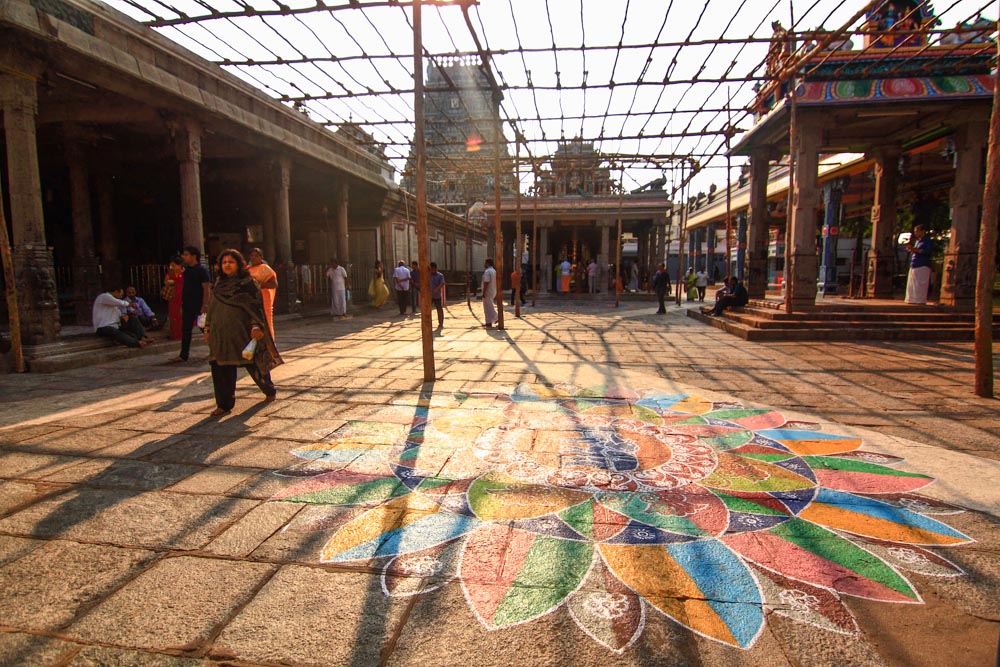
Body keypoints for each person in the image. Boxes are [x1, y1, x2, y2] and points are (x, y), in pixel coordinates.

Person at [203, 249, 282, 417]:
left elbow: (255, 308)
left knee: (253, 364)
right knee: (220, 367)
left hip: (242, 332)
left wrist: (256, 326)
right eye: (224, 262)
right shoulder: (219, 283)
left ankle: (269, 390)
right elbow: (212, 307)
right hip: (219, 333)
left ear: (239, 264)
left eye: (231, 262)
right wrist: (208, 327)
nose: (227, 265)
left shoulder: (247, 283)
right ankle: (223, 405)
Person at [170, 246, 212, 363]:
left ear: (194, 256)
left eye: (187, 255)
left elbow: (206, 288)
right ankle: (184, 354)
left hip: (199, 303)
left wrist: (205, 304)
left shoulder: (201, 270)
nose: (184, 257)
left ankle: (215, 351)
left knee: (205, 328)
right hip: (188, 304)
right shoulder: (187, 270)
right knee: (186, 329)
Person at [247, 248, 278, 337]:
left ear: (261, 257)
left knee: (265, 320)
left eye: (256, 256)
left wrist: (259, 285)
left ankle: (268, 342)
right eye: (252, 256)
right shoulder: (247, 269)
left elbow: (274, 284)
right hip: (251, 299)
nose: (254, 258)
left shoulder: (265, 268)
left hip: (264, 298)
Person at [905, 225, 933, 305]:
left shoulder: (927, 241)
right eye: (915, 231)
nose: (916, 233)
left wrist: (916, 250)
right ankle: (912, 299)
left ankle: (919, 300)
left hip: (923, 264)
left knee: (920, 285)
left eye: (917, 231)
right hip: (915, 264)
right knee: (913, 284)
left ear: (923, 231)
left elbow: (927, 252)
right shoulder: (918, 241)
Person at [163, 256, 184, 341]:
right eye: (171, 265)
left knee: (181, 315)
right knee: (173, 315)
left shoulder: (185, 273)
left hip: (182, 295)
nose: (172, 267)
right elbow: (166, 281)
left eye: (174, 265)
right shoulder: (170, 273)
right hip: (173, 295)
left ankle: (181, 334)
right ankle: (174, 334)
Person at [482, 258, 498, 328]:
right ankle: (488, 322)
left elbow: (486, 282)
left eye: (485, 263)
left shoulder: (487, 271)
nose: (484, 264)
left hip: (488, 291)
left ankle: (496, 317)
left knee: (488, 307)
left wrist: (484, 292)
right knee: (488, 307)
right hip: (493, 290)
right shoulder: (494, 271)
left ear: (487, 263)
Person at [429, 261, 446, 328]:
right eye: (431, 269)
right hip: (429, 295)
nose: (432, 271)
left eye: (433, 269)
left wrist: (436, 289)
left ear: (436, 268)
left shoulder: (440, 275)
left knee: (439, 309)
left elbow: (442, 283)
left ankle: (441, 323)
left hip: (437, 295)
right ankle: (428, 323)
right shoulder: (428, 275)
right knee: (427, 310)